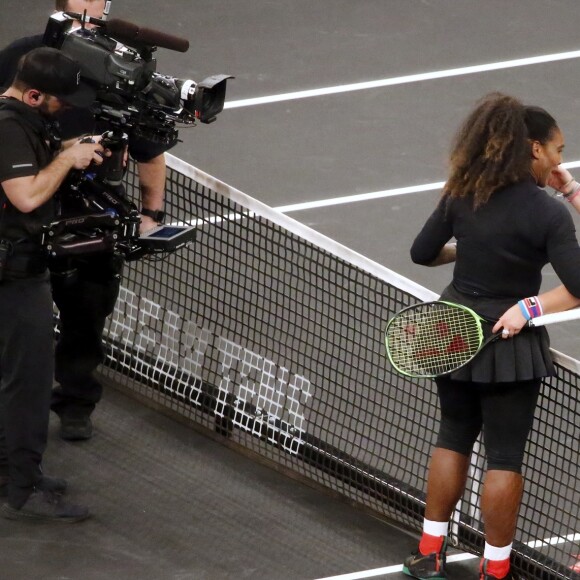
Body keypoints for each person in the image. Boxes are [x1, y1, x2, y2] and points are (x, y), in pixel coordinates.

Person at [404, 93, 580, 580]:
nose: (562, 160)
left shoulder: (464, 190)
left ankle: (427, 552)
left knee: (452, 437)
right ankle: (495, 570)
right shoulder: (548, 214)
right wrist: (530, 306)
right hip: (510, 346)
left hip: (452, 330)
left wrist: (470, 248)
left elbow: (424, 252)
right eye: (559, 149)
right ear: (534, 150)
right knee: (503, 456)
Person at [0, 0, 171, 441]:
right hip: (26, 217)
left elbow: (151, 151)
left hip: (91, 215)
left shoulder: (122, 74)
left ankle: (75, 402)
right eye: (82, 12)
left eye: (99, 9)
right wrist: (65, 152)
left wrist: (152, 214)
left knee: (88, 312)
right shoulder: (23, 58)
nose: (91, 19)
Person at [0, 46, 106, 522]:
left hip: (14, 270)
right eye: (60, 100)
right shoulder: (7, 127)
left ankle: (10, 475)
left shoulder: (19, 122)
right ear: (35, 93)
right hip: (13, 278)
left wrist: (65, 149)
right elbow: (25, 196)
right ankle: (22, 487)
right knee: (28, 384)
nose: (66, 107)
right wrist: (65, 162)